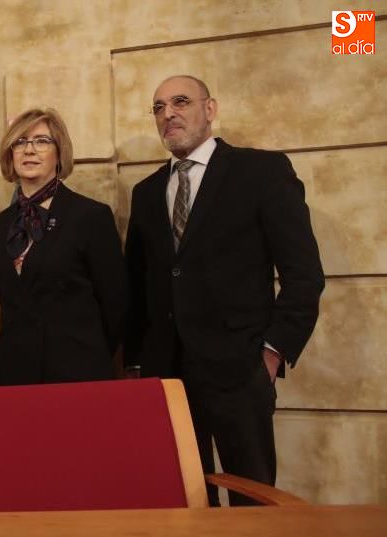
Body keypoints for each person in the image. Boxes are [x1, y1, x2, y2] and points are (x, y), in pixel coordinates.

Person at [124, 75, 325, 505]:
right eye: (158, 107)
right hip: (169, 376)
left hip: (241, 369)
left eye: (180, 102)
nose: (169, 114)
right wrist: (139, 366)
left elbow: (303, 274)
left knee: (253, 503)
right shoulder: (145, 194)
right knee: (184, 500)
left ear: (210, 109)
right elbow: (139, 288)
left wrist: (272, 353)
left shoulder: (262, 172)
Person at [0, 108, 126, 385]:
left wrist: (87, 353)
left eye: (41, 141)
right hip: (16, 374)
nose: (29, 150)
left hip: (79, 370)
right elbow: (11, 305)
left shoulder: (90, 216)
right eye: (20, 142)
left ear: (60, 153)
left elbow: (115, 304)